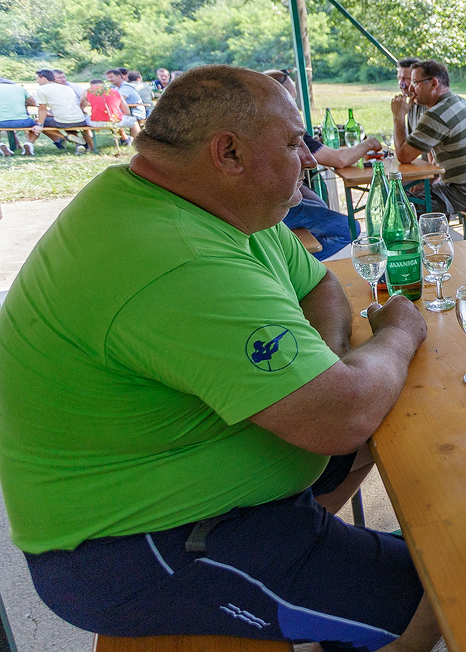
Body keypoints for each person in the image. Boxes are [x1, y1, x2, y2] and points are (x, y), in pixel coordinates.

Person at [0, 65, 439, 650]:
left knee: (370, 444)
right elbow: (345, 415)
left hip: (193, 493)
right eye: (292, 143)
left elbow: (320, 288)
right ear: (228, 152)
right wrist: (401, 333)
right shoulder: (176, 256)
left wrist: (322, 365)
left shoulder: (216, 206)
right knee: (444, 591)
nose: (309, 159)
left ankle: (309, 572)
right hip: (134, 547)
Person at [264, 69, 382, 259]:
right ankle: (298, 269)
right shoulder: (284, 125)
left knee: (318, 202)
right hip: (272, 206)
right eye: (291, 100)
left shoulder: (261, 123)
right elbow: (339, 160)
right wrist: (369, 143)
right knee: (349, 229)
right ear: (278, 98)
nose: (295, 108)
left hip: (269, 201)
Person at [390, 59, 466, 215]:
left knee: (406, 207)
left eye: (415, 82)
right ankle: (437, 236)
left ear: (433, 83)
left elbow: (403, 156)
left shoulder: (436, 114)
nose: (409, 88)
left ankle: (434, 238)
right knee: (420, 196)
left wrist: (398, 117)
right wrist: (428, 181)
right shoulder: (457, 101)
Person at [33, 68, 92, 152]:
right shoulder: (67, 88)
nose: (37, 81)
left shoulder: (41, 89)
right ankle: (79, 144)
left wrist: (40, 125)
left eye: (37, 79)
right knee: (66, 120)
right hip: (81, 119)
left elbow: (42, 109)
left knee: (37, 121)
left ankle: (65, 138)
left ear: (44, 78)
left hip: (63, 121)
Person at [84, 78, 140, 146]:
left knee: (82, 121)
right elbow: (127, 112)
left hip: (95, 122)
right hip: (115, 120)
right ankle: (141, 143)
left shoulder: (87, 91)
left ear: (91, 85)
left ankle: (90, 146)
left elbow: (81, 106)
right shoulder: (116, 92)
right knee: (133, 121)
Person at [0, 77, 38, 156]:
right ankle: (29, 143)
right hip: (22, 121)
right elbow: (33, 103)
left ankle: (1, 145)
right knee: (37, 125)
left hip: (1, 122)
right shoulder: (20, 88)